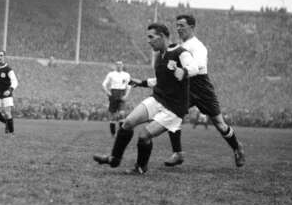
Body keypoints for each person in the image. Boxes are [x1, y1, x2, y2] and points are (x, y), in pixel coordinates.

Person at [93, 23, 198, 174]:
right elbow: (160, 80)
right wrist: (141, 82)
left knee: (144, 135)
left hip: (174, 108)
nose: (148, 41)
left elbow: (195, 67)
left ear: (161, 36)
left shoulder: (181, 52)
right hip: (158, 99)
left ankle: (141, 167)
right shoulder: (159, 56)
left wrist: (185, 71)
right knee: (128, 122)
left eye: (151, 37)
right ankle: (114, 159)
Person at [164, 14, 245, 168]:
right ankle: (177, 153)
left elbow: (200, 66)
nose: (178, 28)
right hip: (185, 86)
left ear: (192, 27)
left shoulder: (198, 46)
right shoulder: (179, 46)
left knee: (220, 124)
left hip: (201, 86)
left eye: (182, 25)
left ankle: (237, 148)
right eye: (177, 25)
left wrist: (184, 71)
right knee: (173, 115)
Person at [0, 50, 19, 134]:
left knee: (7, 113)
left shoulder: (8, 69)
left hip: (6, 94)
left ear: (4, 57)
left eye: (1, 55)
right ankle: (6, 123)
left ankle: (12, 132)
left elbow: (15, 81)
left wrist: (10, 90)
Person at [101, 60, 132, 136]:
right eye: (117, 64)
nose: (119, 66)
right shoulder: (111, 74)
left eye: (120, 64)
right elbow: (104, 84)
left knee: (122, 114)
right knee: (113, 115)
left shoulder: (126, 75)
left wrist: (126, 95)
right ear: (115, 65)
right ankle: (113, 133)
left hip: (122, 93)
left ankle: (121, 133)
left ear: (122, 65)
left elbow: (129, 86)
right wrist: (107, 92)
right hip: (113, 93)